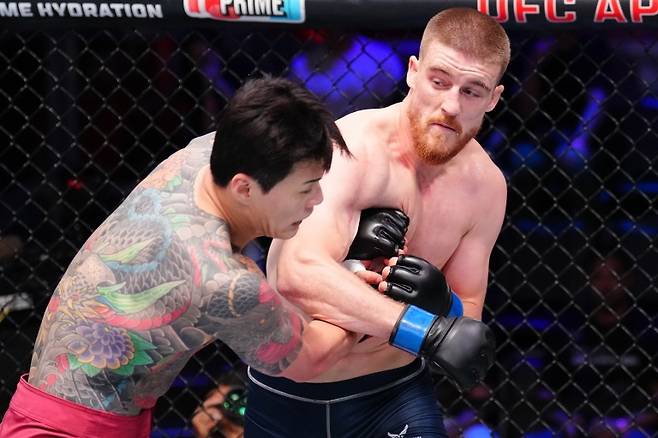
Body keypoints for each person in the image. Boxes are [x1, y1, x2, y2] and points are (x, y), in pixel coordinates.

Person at [0, 76, 357, 438]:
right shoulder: (225, 280)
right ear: (244, 187)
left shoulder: (199, 155)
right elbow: (310, 360)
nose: (318, 200)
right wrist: (357, 287)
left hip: (45, 408)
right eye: (306, 189)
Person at [245, 8, 509, 437]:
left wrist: (444, 303)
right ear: (413, 72)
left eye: (472, 91)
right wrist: (424, 328)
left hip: (394, 393)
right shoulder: (352, 148)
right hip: (287, 395)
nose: (450, 105)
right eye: (439, 81)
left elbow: (466, 323)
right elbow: (295, 273)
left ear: (493, 98)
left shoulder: (486, 186)